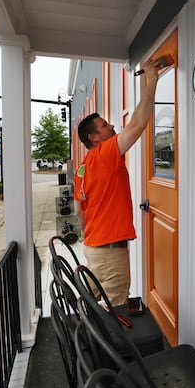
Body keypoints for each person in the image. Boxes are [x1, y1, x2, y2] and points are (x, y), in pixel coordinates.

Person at [73, 58, 162, 306]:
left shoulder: (82, 168)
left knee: (92, 304)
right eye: (104, 126)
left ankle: (85, 338)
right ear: (94, 138)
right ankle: (100, 345)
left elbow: (80, 212)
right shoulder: (105, 154)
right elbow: (137, 124)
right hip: (109, 252)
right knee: (118, 312)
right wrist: (152, 80)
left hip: (94, 247)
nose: (111, 126)